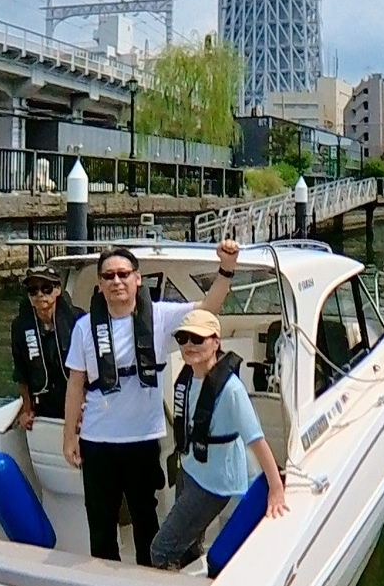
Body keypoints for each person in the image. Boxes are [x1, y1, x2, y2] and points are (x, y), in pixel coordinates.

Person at [63, 240, 242, 566]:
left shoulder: (159, 317)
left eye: (123, 274)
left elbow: (205, 311)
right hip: (97, 442)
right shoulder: (83, 328)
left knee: (146, 520)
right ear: (100, 284)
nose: (116, 281)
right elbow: (76, 384)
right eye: (108, 276)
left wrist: (226, 269)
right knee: (101, 525)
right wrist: (69, 437)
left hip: (142, 441)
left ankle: (148, 578)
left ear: (137, 279)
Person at [150, 308, 287, 570]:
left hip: (214, 482)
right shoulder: (189, 376)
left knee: (161, 549)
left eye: (198, 339)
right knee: (188, 547)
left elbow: (256, 440)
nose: (190, 345)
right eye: (183, 339)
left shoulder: (230, 389)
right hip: (190, 469)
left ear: (216, 342)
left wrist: (276, 489)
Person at [11, 264, 82, 428]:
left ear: (57, 290)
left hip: (76, 400)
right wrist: (27, 410)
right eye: (33, 290)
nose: (40, 294)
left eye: (46, 288)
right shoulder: (20, 327)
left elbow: (90, 371)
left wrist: (83, 407)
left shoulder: (78, 320)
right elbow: (21, 373)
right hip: (44, 405)